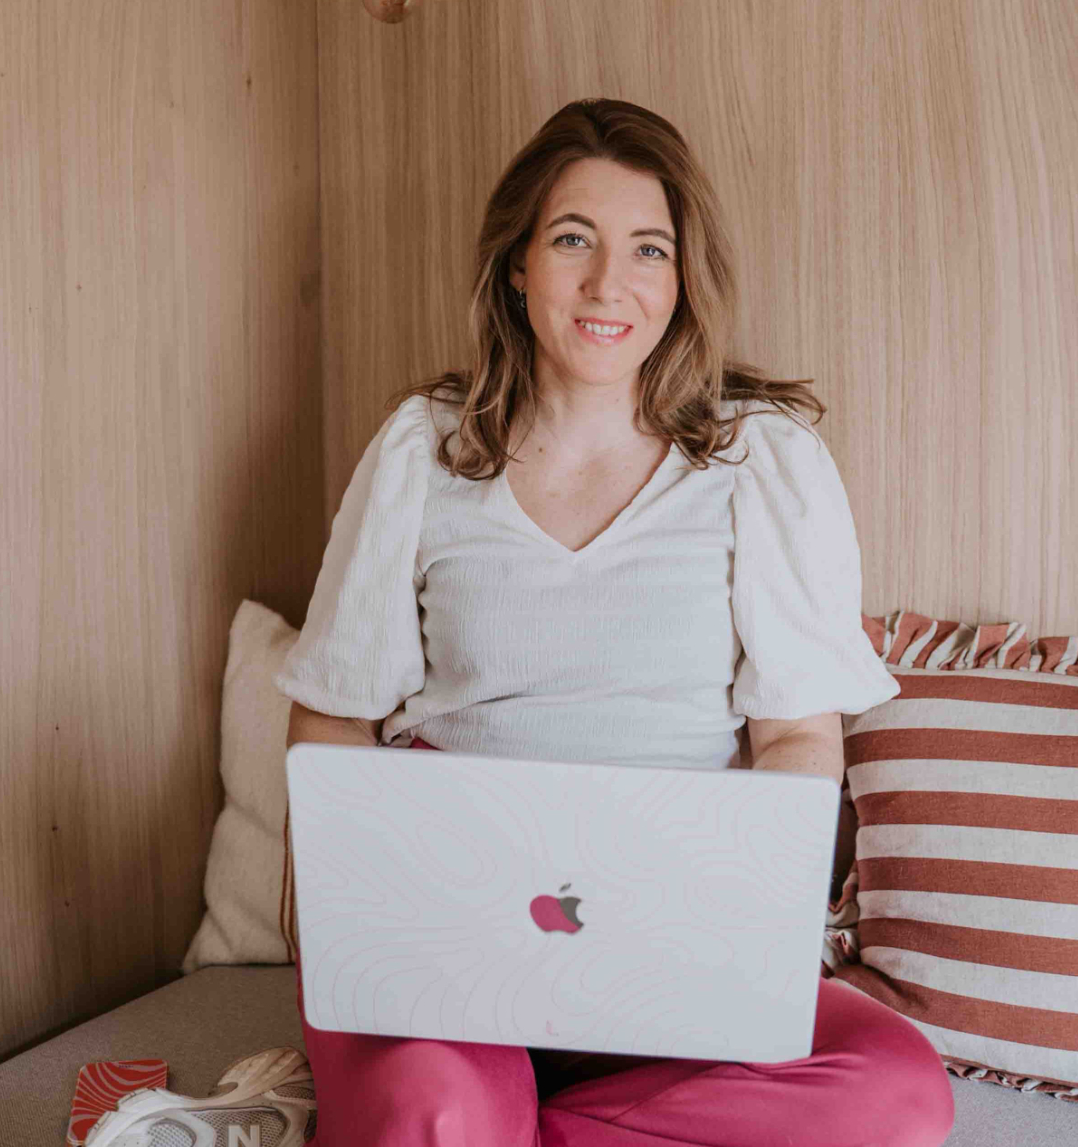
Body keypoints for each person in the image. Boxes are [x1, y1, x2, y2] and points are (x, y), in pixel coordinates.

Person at [275, 99, 956, 1146]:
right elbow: (333, 717)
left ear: (681, 279)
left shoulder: (760, 459)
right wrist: (337, 926)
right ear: (517, 264)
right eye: (571, 240)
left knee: (895, 1094)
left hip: (673, 950)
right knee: (439, 1111)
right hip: (447, 942)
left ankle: (516, 1132)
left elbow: (794, 738)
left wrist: (741, 925)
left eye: (648, 248)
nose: (608, 284)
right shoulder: (424, 449)